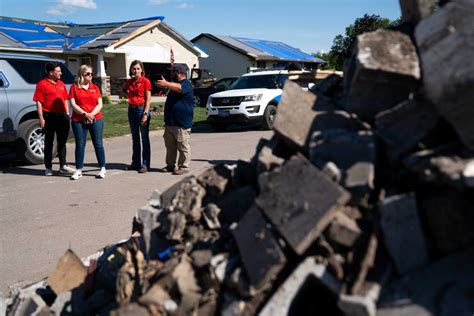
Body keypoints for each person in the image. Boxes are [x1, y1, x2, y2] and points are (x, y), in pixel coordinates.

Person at [33, 62, 75, 176]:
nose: (61, 73)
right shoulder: (42, 84)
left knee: (62, 141)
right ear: (51, 72)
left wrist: (67, 113)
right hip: (49, 115)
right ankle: (48, 167)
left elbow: (65, 99)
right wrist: (41, 118)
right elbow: (39, 102)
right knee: (49, 141)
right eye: (59, 71)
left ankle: (63, 165)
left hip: (62, 115)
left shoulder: (61, 83)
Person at [68, 65, 106, 180]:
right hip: (79, 120)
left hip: (96, 119)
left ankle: (102, 168)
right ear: (81, 75)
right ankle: (78, 170)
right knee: (80, 145)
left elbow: (100, 104)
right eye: (87, 74)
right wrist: (85, 114)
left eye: (91, 74)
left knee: (98, 144)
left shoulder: (95, 87)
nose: (90, 76)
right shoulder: (74, 87)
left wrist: (92, 114)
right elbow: (73, 104)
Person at [156, 64, 194, 175]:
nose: (171, 74)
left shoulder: (186, 84)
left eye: (173, 72)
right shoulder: (173, 86)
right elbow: (175, 87)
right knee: (170, 147)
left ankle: (183, 166)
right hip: (170, 123)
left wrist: (166, 84)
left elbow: (180, 89)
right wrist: (167, 85)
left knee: (183, 146)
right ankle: (170, 165)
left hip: (181, 123)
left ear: (179, 73)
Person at [123, 60, 152, 173]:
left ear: (142, 70)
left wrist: (145, 113)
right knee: (135, 138)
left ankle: (145, 164)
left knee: (144, 138)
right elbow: (125, 90)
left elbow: (148, 99)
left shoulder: (145, 81)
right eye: (134, 68)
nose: (136, 71)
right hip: (132, 109)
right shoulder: (129, 82)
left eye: (138, 68)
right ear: (131, 70)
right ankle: (136, 163)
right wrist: (129, 97)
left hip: (141, 110)